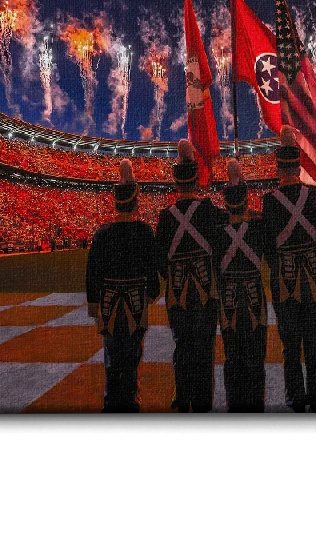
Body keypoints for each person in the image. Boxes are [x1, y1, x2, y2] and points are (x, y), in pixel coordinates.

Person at [155, 139, 229, 413]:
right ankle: (202, 400)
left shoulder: (165, 216)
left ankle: (182, 394)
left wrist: (173, 275)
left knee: (182, 345)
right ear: (197, 179)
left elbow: (160, 258)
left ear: (176, 182)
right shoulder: (210, 211)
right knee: (204, 347)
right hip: (206, 289)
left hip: (176, 292)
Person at [261, 126, 316, 414]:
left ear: (279, 166)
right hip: (312, 276)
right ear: (298, 164)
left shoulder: (269, 202)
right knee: (314, 343)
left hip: (284, 278)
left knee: (290, 346)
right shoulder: (314, 197)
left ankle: (294, 397)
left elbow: (267, 247)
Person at [86, 159, 160, 413]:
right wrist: (151, 294)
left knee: (111, 359)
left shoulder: (102, 233)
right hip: (136, 305)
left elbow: (92, 273)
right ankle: (130, 401)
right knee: (132, 359)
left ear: (116, 201)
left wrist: (95, 305)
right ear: (136, 201)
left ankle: (111, 402)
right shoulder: (144, 231)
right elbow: (153, 274)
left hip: (108, 307)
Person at [211, 159, 268, 413]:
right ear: (246, 199)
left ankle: (234, 404)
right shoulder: (258, 228)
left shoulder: (216, 232)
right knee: (256, 358)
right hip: (255, 299)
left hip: (229, 301)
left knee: (232, 358)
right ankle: (256, 404)